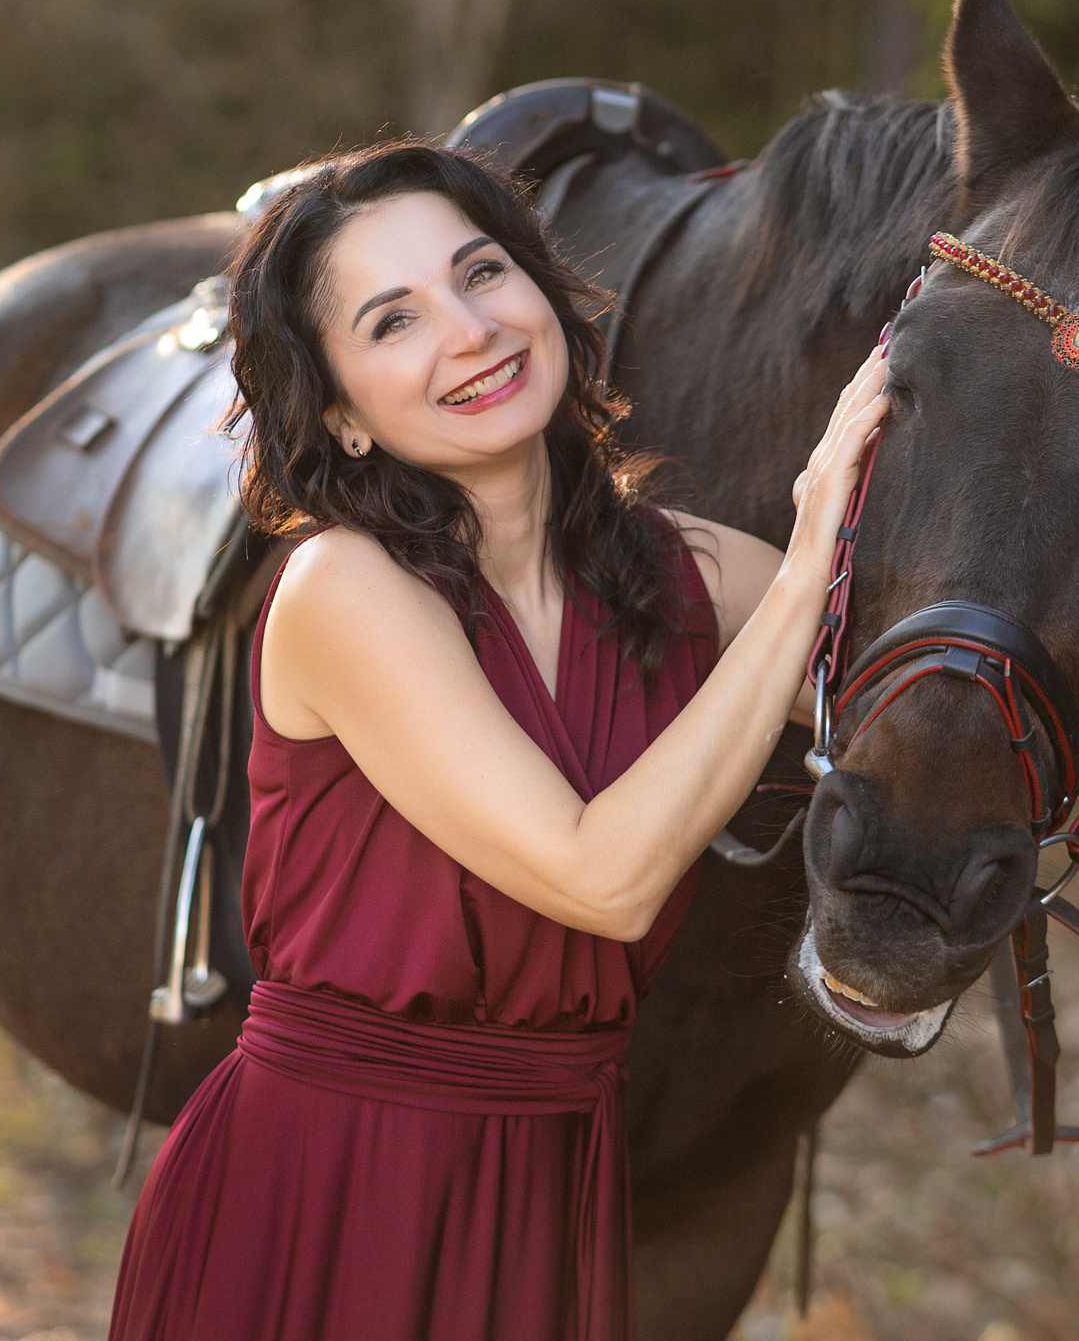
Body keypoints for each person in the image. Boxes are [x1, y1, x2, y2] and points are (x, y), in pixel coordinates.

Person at [107, 140, 888, 1341]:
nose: (469, 332)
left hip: (550, 1183)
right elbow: (601, 880)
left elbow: (935, 705)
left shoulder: (688, 567)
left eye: (481, 273)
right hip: (334, 1185)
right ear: (338, 412)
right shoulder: (342, 588)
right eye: (393, 320)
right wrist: (805, 561)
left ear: (543, 290)